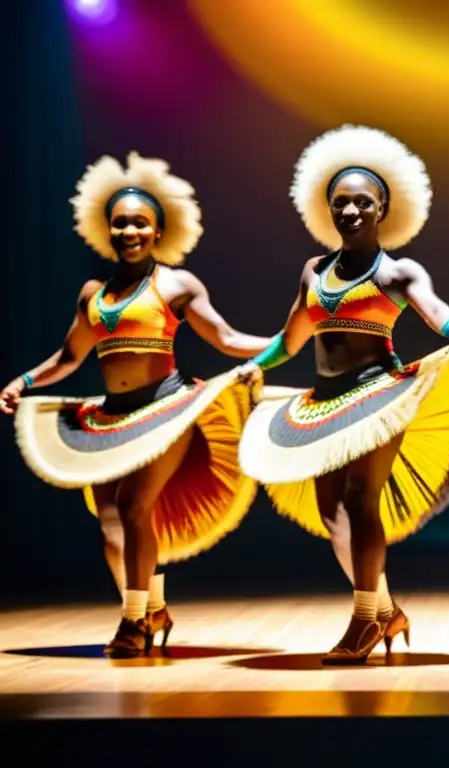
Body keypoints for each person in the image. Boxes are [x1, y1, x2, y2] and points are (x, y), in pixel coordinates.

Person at [0, 152, 274, 658]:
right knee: (109, 521)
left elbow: (228, 337)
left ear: (158, 230)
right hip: (110, 417)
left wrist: (285, 342)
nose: (129, 230)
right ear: (108, 229)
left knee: (133, 506)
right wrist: (23, 380)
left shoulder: (176, 284)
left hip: (167, 413)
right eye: (121, 222)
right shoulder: (93, 295)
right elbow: (68, 357)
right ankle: (151, 607)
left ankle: (132, 623)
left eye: (140, 223)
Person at [237, 125, 449, 665]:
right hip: (324, 404)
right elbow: (291, 339)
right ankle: (388, 609)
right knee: (332, 514)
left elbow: (434, 307)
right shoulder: (314, 272)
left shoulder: (397, 271)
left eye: (361, 203)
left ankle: (365, 620)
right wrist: (255, 365)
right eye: (340, 203)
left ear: (382, 209)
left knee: (360, 502)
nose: (350, 212)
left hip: (377, 399)